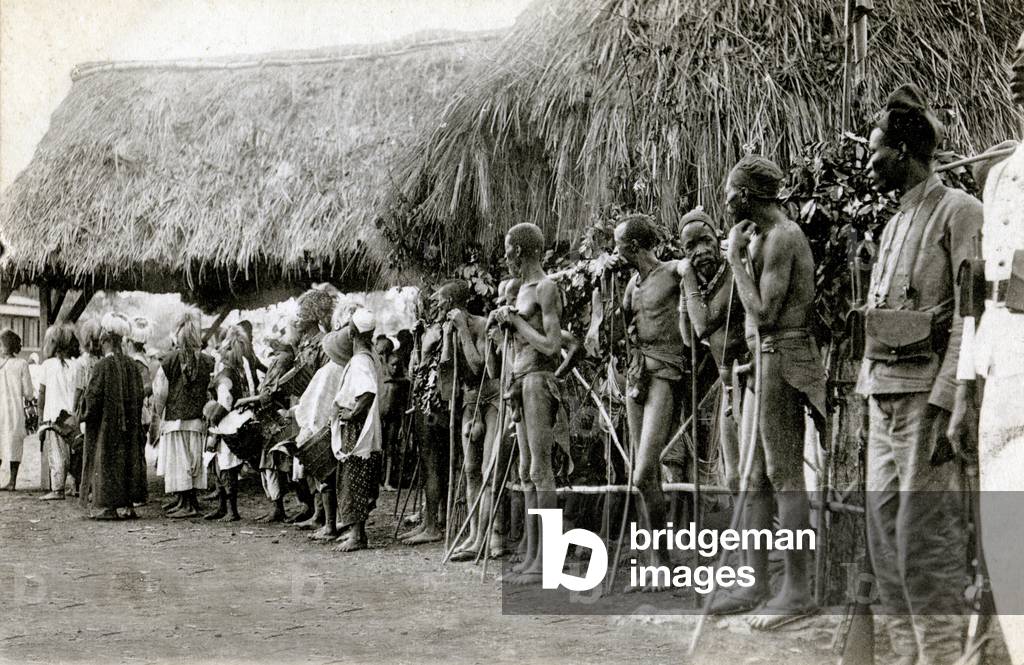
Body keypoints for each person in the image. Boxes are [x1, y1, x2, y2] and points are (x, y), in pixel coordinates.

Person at [858, 84, 981, 664]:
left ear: (904, 150)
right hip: (881, 396)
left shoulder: (958, 212)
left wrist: (951, 396)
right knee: (883, 541)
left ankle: (940, 658)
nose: (869, 162)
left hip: (925, 402)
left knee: (923, 542)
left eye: (876, 151)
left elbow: (969, 314)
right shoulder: (890, 225)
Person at [714, 155, 826, 627]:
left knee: (783, 474)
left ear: (744, 195)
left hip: (784, 357)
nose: (724, 202)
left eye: (728, 193)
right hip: (766, 361)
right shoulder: (761, 236)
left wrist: (736, 260)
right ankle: (755, 583)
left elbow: (762, 312)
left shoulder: (783, 237)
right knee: (756, 477)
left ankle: (796, 590)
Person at [949, 30, 1024, 665]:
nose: (1017, 65)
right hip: (1002, 361)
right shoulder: (999, 176)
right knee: (1004, 513)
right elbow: (977, 291)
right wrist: (968, 382)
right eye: (1016, 55)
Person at [613, 214, 686, 581]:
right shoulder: (630, 284)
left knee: (644, 472)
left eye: (619, 244)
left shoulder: (673, 271)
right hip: (637, 376)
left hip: (664, 374)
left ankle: (661, 555)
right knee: (642, 474)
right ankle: (655, 557)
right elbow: (626, 330)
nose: (616, 251)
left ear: (635, 246)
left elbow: (700, 269)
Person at [492, 222, 564, 584]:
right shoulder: (520, 291)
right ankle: (534, 556)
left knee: (540, 470)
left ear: (519, 251)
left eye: (507, 249)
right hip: (519, 382)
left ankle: (547, 561)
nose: (504, 256)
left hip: (538, 380)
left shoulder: (546, 287)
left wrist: (517, 324)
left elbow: (552, 345)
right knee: (525, 472)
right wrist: (504, 324)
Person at [676, 208, 748, 493]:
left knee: (755, 473)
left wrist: (689, 281)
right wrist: (686, 291)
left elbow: (704, 324)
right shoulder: (697, 284)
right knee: (732, 478)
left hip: (749, 378)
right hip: (729, 385)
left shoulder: (733, 268)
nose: (701, 251)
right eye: (691, 247)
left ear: (717, 237)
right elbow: (688, 337)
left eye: (706, 241)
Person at [435, 280, 504, 562]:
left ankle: (491, 536)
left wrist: (463, 331)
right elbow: (447, 377)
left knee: (489, 471)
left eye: (440, 302)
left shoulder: (482, 325)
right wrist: (448, 340)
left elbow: (481, 368)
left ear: (452, 301)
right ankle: (474, 534)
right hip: (468, 402)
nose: (436, 307)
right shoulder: (447, 328)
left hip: (493, 401)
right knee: (472, 469)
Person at [82, 313, 146, 520]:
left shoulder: (102, 366)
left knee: (107, 462)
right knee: (129, 460)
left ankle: (108, 507)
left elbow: (92, 397)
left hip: (107, 425)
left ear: (106, 340)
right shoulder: (132, 365)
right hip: (130, 423)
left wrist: (85, 414)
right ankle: (128, 506)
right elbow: (140, 395)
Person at [150, 313, 214, 518]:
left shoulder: (169, 360)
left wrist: (159, 414)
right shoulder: (207, 360)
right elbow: (209, 389)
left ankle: (187, 505)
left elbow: (160, 392)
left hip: (176, 420)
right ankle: (187, 501)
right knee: (193, 461)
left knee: (180, 462)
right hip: (196, 419)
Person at [331, 309, 384, 552]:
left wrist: (352, 413)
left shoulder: (361, 359)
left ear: (352, 332)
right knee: (355, 477)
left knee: (354, 478)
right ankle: (356, 532)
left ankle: (358, 535)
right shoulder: (366, 356)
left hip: (357, 428)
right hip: (359, 425)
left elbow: (367, 392)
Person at [203, 329, 253, 522]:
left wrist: (213, 420)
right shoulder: (242, 365)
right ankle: (224, 507)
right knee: (223, 465)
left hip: (227, 422)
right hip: (239, 418)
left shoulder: (225, 369)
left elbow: (225, 400)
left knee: (225, 466)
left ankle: (231, 510)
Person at [38, 324, 79, 500]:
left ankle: (57, 489)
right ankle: (76, 485)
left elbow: (41, 393)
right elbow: (79, 391)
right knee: (74, 452)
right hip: (71, 416)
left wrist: (40, 416)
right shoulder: (77, 365)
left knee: (57, 454)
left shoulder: (47, 365)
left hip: (53, 416)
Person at [0, 329, 34, 491]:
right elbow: (28, 392)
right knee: (15, 443)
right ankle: (12, 481)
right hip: (15, 410)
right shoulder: (22, 364)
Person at [75, 321, 103, 505]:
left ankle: (86, 489)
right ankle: (97, 488)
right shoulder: (103, 361)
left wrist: (75, 411)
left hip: (87, 408)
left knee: (87, 450)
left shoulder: (81, 363)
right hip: (101, 408)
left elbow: (78, 390)